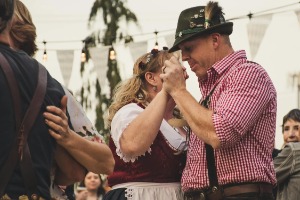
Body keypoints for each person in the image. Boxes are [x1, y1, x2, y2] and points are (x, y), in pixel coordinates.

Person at [160, 1, 277, 200]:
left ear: (215, 40)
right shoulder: (210, 88)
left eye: (189, 48)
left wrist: (179, 91)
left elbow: (220, 134)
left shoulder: (248, 73)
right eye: (182, 51)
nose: (185, 57)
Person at [0, 1, 114, 199]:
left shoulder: (52, 88)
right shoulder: (49, 85)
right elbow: (76, 173)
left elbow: (105, 163)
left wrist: (66, 136)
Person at [103, 48, 187, 200]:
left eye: (180, 67)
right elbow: (132, 146)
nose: (182, 70)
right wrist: (165, 92)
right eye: (171, 69)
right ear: (152, 78)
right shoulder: (131, 112)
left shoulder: (182, 120)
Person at [273, 109, 300, 200]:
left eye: (296, 128)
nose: (291, 134)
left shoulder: (294, 150)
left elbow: (266, 175)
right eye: (286, 129)